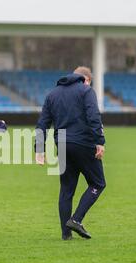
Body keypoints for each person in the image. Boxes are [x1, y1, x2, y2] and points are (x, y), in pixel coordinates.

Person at [35, 66, 106, 240]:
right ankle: (76, 219)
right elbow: (94, 116)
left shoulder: (52, 94)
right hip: (83, 143)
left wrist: (39, 149)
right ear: (86, 79)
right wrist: (99, 141)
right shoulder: (86, 90)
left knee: (66, 190)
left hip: (63, 144)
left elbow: (42, 124)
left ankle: (66, 234)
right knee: (98, 183)